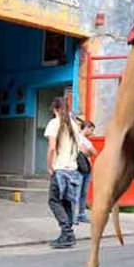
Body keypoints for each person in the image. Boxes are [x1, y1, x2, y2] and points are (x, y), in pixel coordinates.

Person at [45, 97, 81, 249]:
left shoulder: (54, 123)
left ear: (55, 110)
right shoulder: (74, 125)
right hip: (72, 170)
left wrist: (49, 166)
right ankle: (68, 233)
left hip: (59, 169)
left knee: (54, 201)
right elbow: (78, 148)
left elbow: (52, 148)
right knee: (66, 202)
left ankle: (67, 233)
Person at [75, 120, 97, 224]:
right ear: (87, 127)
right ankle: (73, 215)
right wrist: (87, 151)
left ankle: (81, 214)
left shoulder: (86, 141)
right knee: (76, 193)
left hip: (87, 169)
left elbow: (95, 152)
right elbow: (86, 151)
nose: (92, 133)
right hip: (78, 168)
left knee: (84, 193)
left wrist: (86, 151)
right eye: (91, 130)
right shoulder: (77, 137)